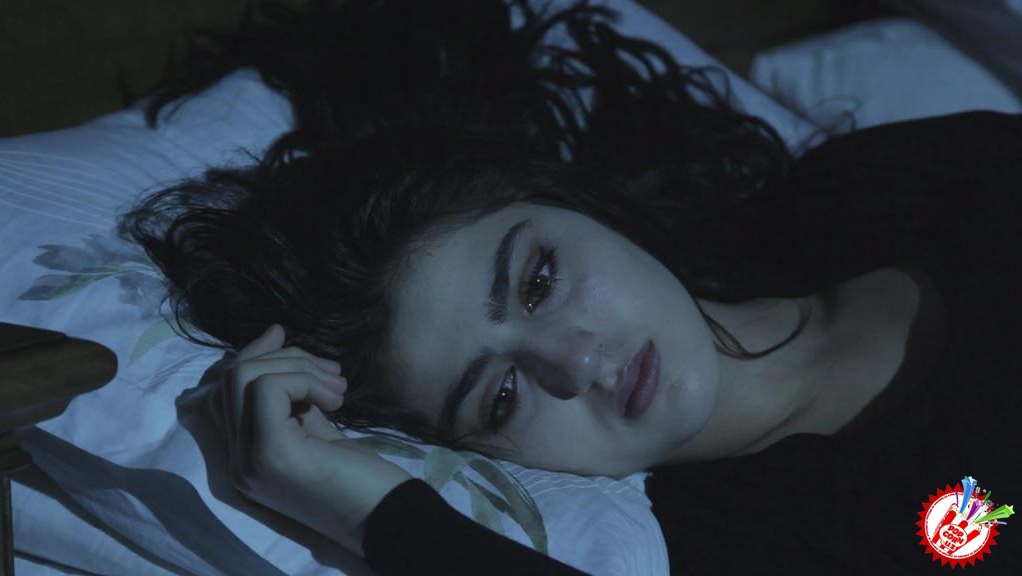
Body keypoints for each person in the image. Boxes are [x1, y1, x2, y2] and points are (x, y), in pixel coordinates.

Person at [117, 0, 1022, 573]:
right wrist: (369, 507)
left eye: (540, 278)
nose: (576, 361)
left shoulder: (875, 191)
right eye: (502, 396)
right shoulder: (755, 537)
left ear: (575, 205)